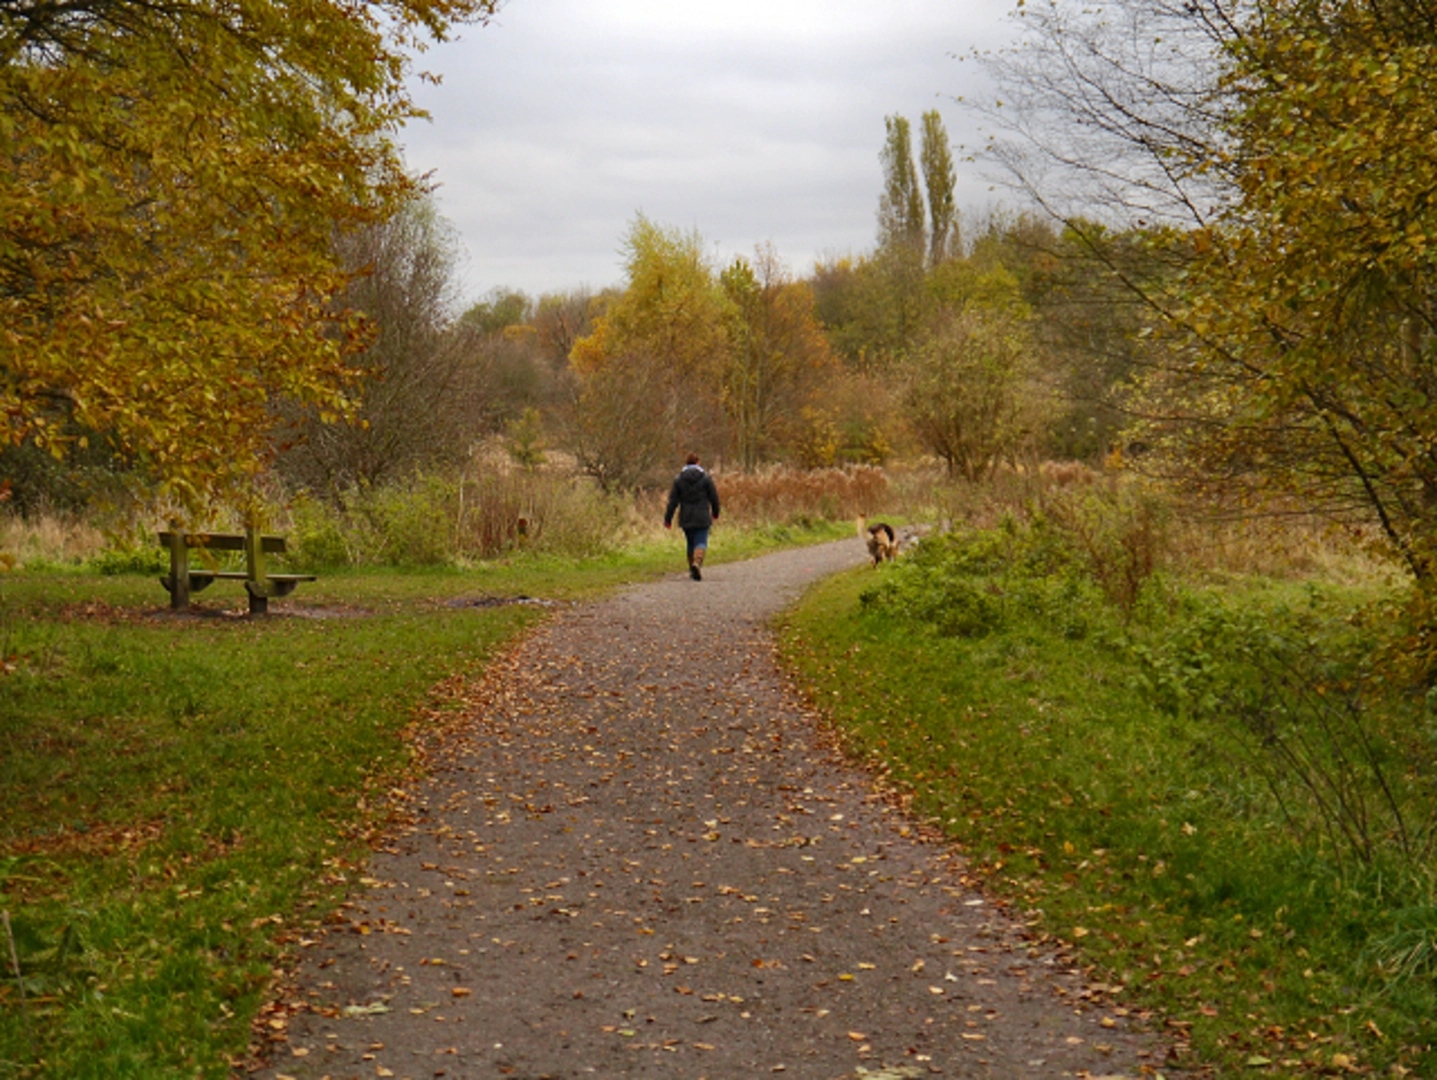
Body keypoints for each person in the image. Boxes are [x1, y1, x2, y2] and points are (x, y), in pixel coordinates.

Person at [663, 452, 720, 581]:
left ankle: (692, 568)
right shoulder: (706, 478)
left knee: (690, 542)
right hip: (702, 516)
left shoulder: (679, 479)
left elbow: (673, 501)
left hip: (686, 516)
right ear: (698, 463)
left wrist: (668, 519)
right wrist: (715, 513)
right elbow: (714, 498)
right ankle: (697, 563)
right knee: (701, 542)